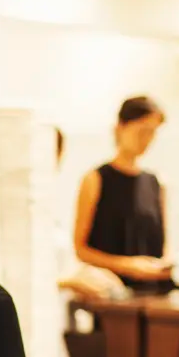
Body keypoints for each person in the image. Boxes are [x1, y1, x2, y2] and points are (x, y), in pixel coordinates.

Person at [72, 96, 171, 287]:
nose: (146, 140)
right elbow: (81, 249)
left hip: (153, 292)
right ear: (120, 128)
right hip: (113, 294)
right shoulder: (95, 179)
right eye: (141, 131)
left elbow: (164, 245)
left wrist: (162, 265)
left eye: (152, 133)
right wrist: (127, 265)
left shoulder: (156, 182)